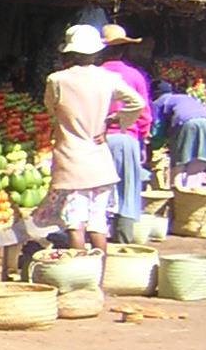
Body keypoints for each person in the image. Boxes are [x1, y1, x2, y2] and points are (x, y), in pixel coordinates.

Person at [34, 25, 143, 251]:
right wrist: (114, 120)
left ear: (70, 53)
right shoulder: (108, 78)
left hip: (71, 160)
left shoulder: (57, 80)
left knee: (75, 225)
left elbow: (51, 109)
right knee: (98, 225)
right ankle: (97, 279)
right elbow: (137, 103)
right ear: (96, 53)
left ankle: (80, 275)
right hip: (99, 160)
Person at [99, 24, 151, 242]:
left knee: (100, 191)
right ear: (123, 50)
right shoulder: (135, 76)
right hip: (127, 137)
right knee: (127, 189)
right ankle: (123, 239)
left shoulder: (97, 74)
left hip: (99, 139)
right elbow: (144, 113)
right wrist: (144, 140)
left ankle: (98, 236)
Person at [150, 80, 206, 190]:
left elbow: (158, 127)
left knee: (181, 156)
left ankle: (177, 188)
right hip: (205, 121)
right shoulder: (185, 97)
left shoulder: (158, 102)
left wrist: (155, 145)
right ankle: (193, 187)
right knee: (199, 155)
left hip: (185, 122)